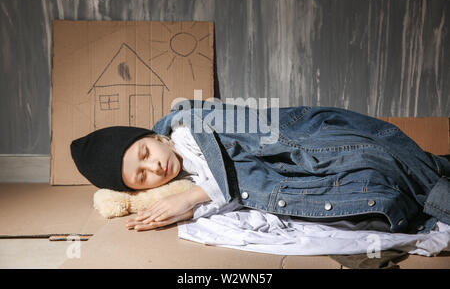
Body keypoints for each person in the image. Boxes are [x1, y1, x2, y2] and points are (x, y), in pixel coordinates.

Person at [70, 99, 450, 234]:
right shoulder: (180, 172)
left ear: (152, 137)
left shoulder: (193, 123)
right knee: (372, 194)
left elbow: (252, 160)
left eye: (145, 153)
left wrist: (193, 197)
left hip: (303, 137)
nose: (155, 167)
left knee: (370, 162)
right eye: (142, 177)